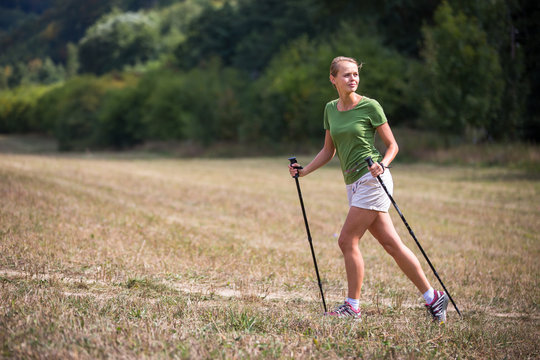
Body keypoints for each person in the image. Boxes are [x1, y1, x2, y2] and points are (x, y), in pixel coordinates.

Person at [288, 56, 449, 322]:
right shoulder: (330, 109)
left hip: (373, 179)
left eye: (355, 74)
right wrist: (303, 172)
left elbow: (392, 145)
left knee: (346, 240)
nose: (353, 79)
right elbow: (329, 151)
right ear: (333, 79)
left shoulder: (370, 106)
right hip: (353, 183)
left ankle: (353, 307)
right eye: (346, 75)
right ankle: (433, 298)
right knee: (391, 243)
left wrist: (382, 165)